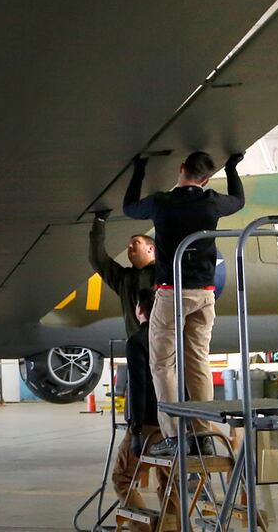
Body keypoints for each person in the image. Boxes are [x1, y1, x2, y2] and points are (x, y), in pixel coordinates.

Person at [123, 150, 245, 453]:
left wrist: (139, 169)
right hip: (204, 294)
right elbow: (239, 200)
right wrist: (232, 168)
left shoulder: (162, 202)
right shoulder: (211, 201)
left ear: (181, 168)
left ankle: (175, 437)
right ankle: (203, 436)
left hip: (170, 292)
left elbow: (129, 207)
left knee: (163, 364)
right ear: (204, 179)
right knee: (198, 362)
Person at [88, 214, 158, 502]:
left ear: (152, 249)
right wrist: (99, 226)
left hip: (150, 413)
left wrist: (136, 427)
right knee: (171, 477)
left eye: (137, 243)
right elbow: (99, 260)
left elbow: (138, 386)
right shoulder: (126, 280)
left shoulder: (167, 272)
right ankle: (168, 523)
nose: (130, 247)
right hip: (169, 413)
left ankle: (143, 523)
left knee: (122, 476)